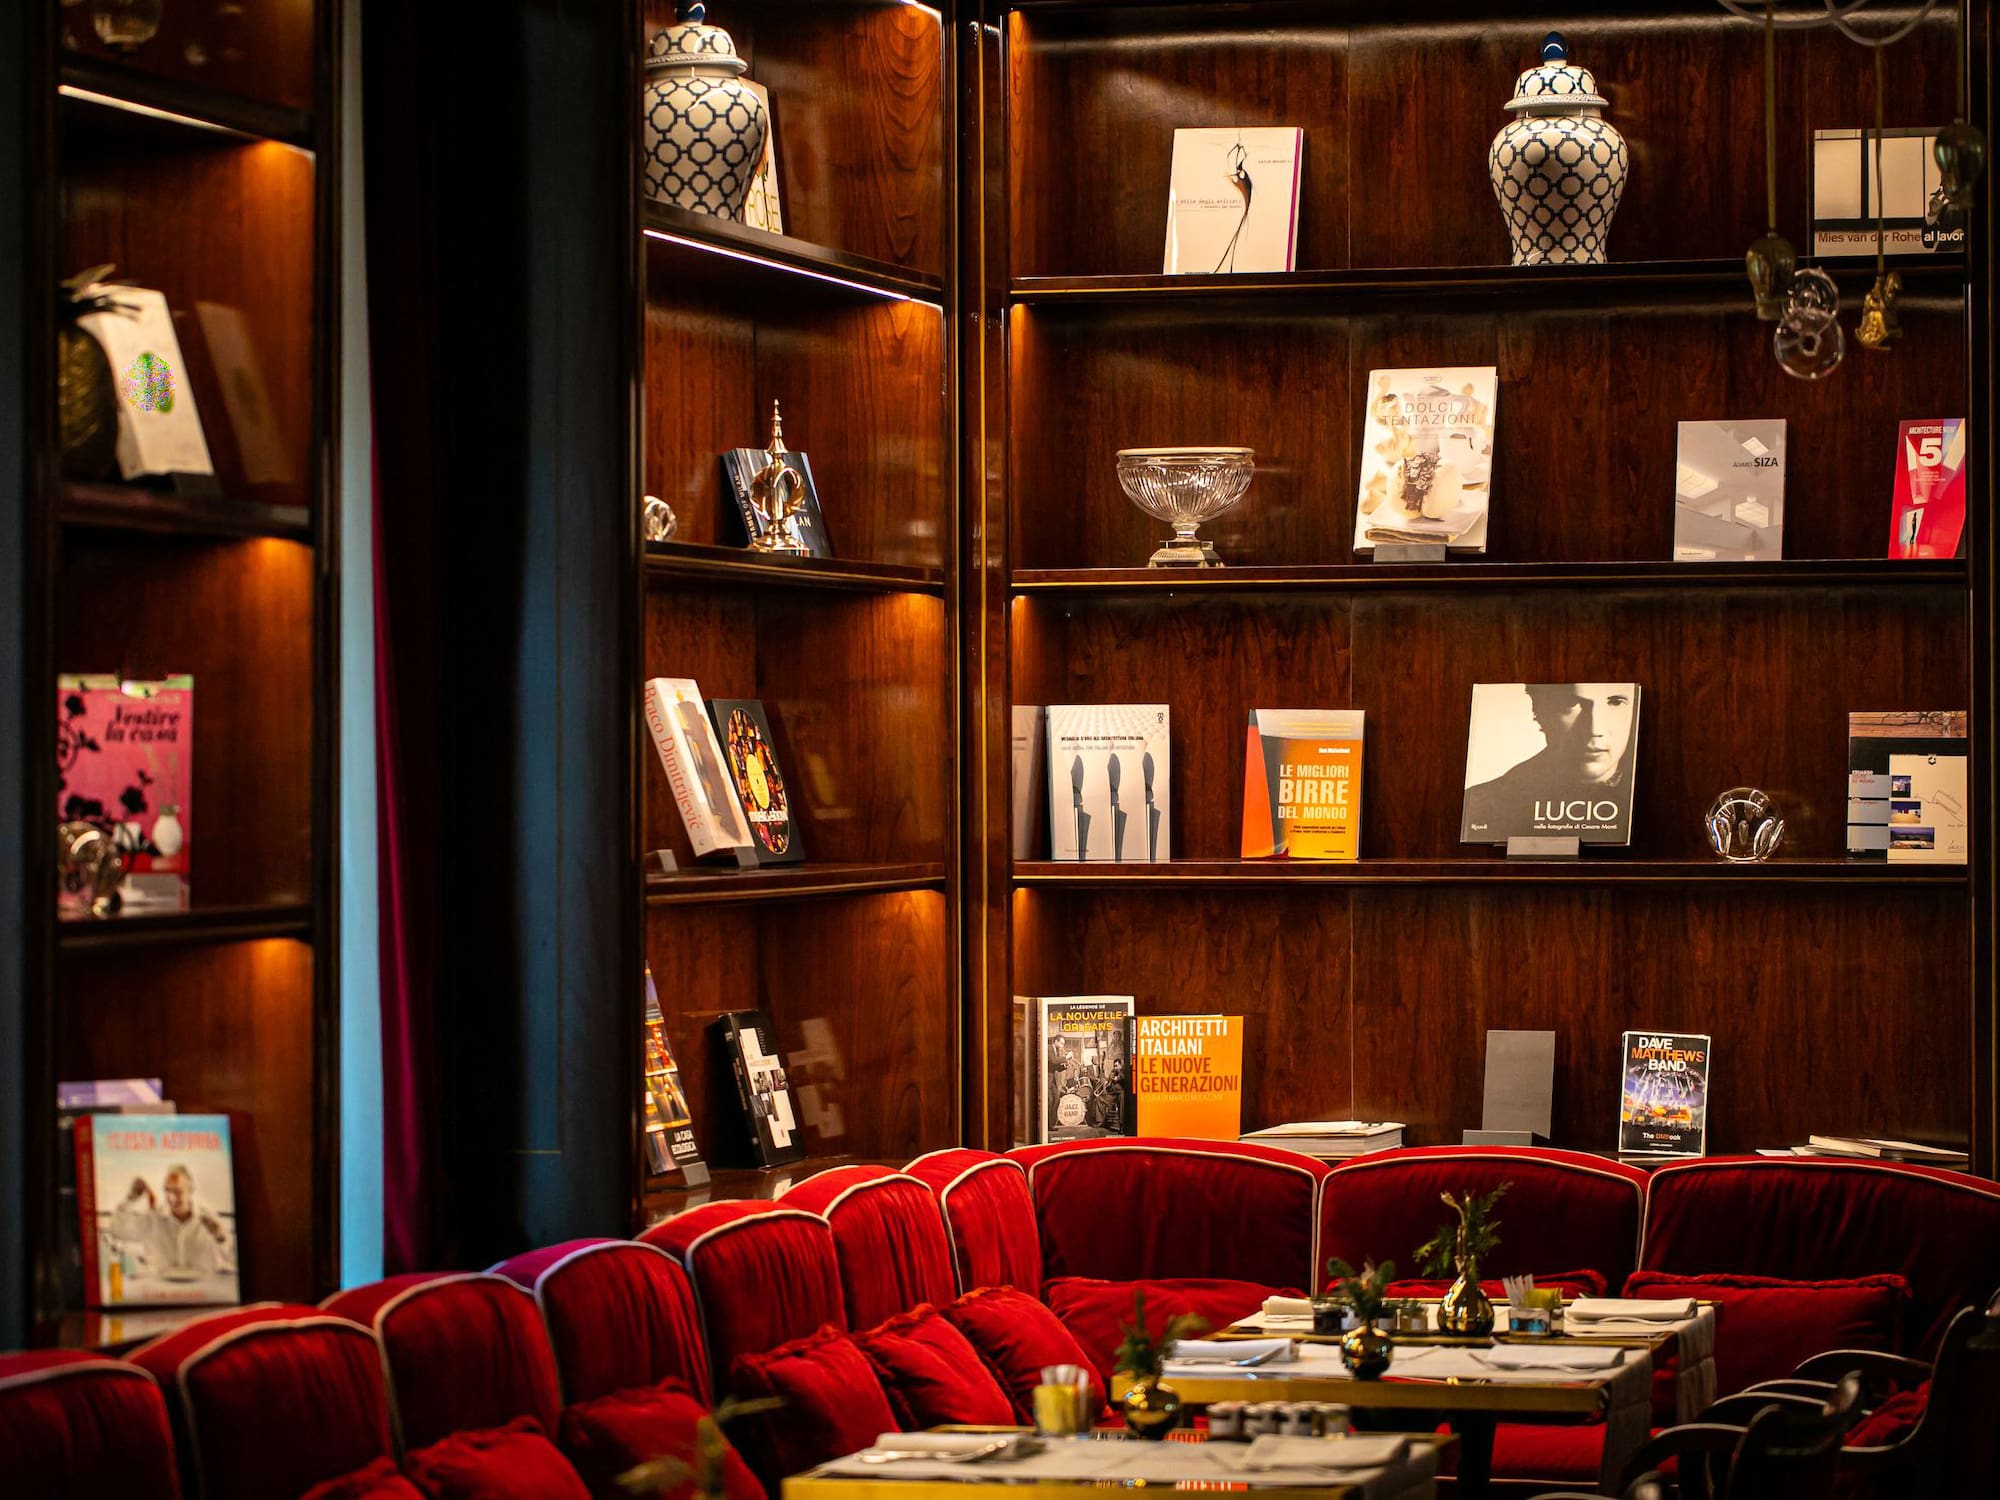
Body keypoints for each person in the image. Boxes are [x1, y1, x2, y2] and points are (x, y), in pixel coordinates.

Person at [1462, 682, 1639, 841]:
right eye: (1571, 703)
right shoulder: (1481, 807)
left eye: (1616, 702)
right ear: (1539, 712)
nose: (1595, 729)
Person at [109, 1164, 230, 1278]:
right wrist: (130, 1199)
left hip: (204, 1289)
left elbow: (233, 1258)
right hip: (161, 1290)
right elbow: (117, 1230)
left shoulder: (210, 1218)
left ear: (191, 1190)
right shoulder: (153, 1218)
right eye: (167, 1190)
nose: (171, 1198)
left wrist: (220, 1237)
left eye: (177, 1191)